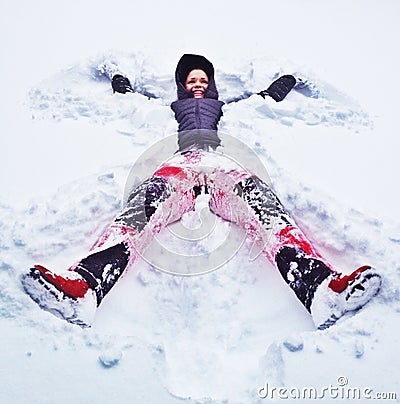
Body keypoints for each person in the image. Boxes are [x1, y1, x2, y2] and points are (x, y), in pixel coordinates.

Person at [21, 54, 381, 329]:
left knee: (267, 211)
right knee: (138, 213)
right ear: (181, 85)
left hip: (223, 162)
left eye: (203, 79)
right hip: (181, 162)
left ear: (211, 86)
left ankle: (320, 290)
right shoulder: (167, 110)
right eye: (191, 80)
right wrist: (116, 75)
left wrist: (287, 79)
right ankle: (84, 288)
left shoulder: (228, 109)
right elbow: (129, 97)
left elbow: (267, 98)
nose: (197, 84)